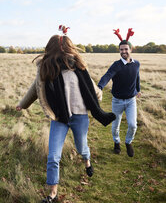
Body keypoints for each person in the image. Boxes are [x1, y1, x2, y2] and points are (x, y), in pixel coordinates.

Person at [16, 25, 116, 203]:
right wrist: (22, 105)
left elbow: (93, 89)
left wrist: (98, 98)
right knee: (53, 156)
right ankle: (52, 194)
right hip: (59, 118)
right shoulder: (46, 69)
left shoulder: (79, 68)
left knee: (82, 148)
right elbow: (35, 88)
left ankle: (87, 161)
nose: (64, 54)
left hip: (80, 117)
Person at [98, 28, 141, 158]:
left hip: (131, 101)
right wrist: (99, 87)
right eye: (121, 49)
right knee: (115, 125)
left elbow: (137, 77)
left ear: (130, 50)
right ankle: (117, 142)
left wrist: (138, 89)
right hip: (117, 101)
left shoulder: (136, 64)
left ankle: (128, 142)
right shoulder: (116, 65)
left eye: (126, 49)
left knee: (133, 125)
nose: (123, 51)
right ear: (119, 51)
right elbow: (107, 76)